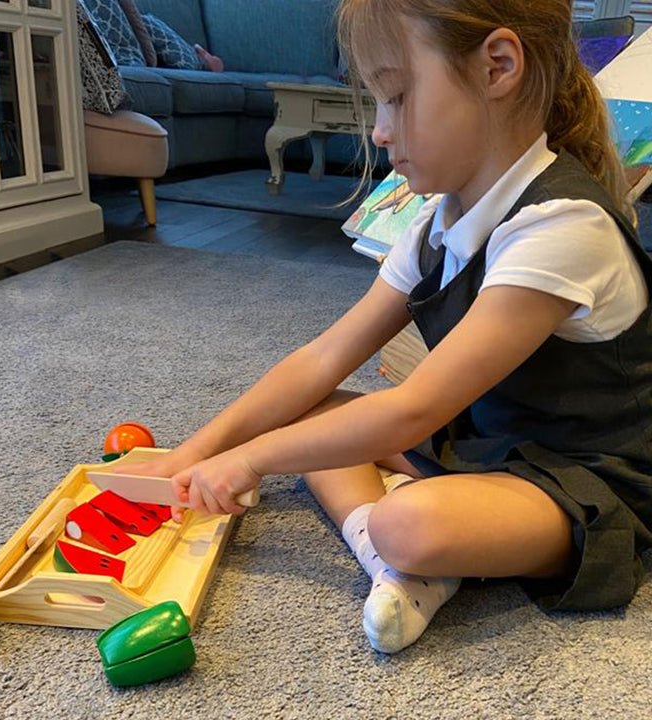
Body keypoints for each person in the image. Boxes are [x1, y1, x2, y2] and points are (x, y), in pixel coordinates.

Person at [115, 0, 652, 654]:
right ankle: (394, 569)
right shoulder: (435, 222)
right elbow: (323, 358)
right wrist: (196, 452)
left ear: (499, 68)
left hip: (591, 475)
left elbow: (413, 410)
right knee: (305, 415)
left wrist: (250, 459)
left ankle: (401, 548)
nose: (379, 131)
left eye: (395, 97)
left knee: (410, 522)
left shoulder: (561, 228)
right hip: (489, 441)